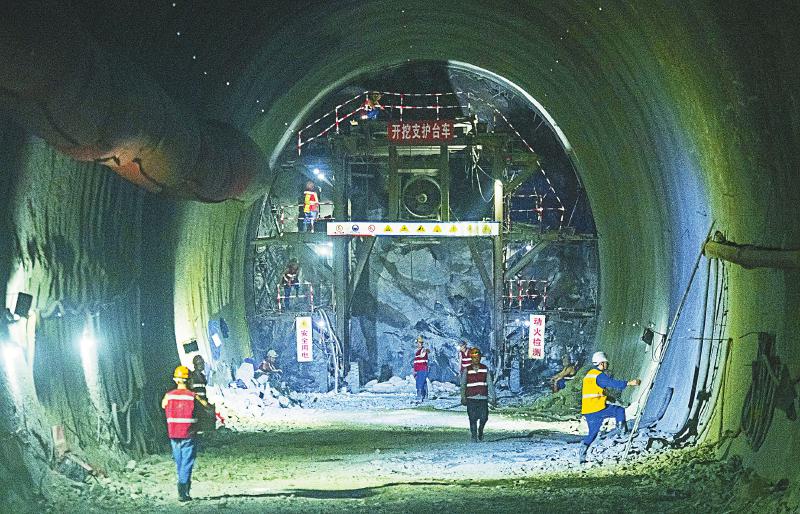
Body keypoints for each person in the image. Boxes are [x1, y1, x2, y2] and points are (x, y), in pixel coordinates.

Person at [579, 351, 641, 464]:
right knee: (619, 410)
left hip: (588, 410)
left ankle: (582, 453)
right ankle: (623, 433)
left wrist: (608, 397)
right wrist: (629, 383)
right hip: (597, 408)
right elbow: (612, 383)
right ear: (601, 363)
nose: (607, 365)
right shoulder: (598, 375)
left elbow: (594, 390)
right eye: (606, 363)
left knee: (593, 433)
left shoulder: (589, 375)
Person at [162, 365, 209, 502]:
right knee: (187, 461)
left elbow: (163, 405)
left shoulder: (168, 396)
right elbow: (205, 406)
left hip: (173, 434)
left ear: (175, 380)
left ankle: (183, 486)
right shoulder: (192, 396)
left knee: (179, 461)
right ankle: (183, 490)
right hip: (188, 434)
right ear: (189, 380)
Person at [460, 347, 497, 442]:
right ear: (471, 358)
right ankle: (474, 436)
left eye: (477, 357)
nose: (476, 359)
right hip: (471, 398)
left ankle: (480, 430)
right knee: (472, 418)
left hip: (483, 398)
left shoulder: (485, 369)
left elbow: (490, 384)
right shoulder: (467, 370)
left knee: (484, 417)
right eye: (474, 358)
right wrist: (463, 397)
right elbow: (463, 384)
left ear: (480, 358)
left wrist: (493, 397)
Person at [412, 336, 429, 403]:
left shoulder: (423, 350)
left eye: (420, 343)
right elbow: (416, 362)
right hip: (418, 369)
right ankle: (425, 396)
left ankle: (420, 396)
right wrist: (414, 370)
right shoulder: (417, 351)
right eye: (418, 343)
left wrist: (426, 350)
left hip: (423, 369)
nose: (419, 344)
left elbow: (425, 353)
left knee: (420, 382)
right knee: (423, 382)